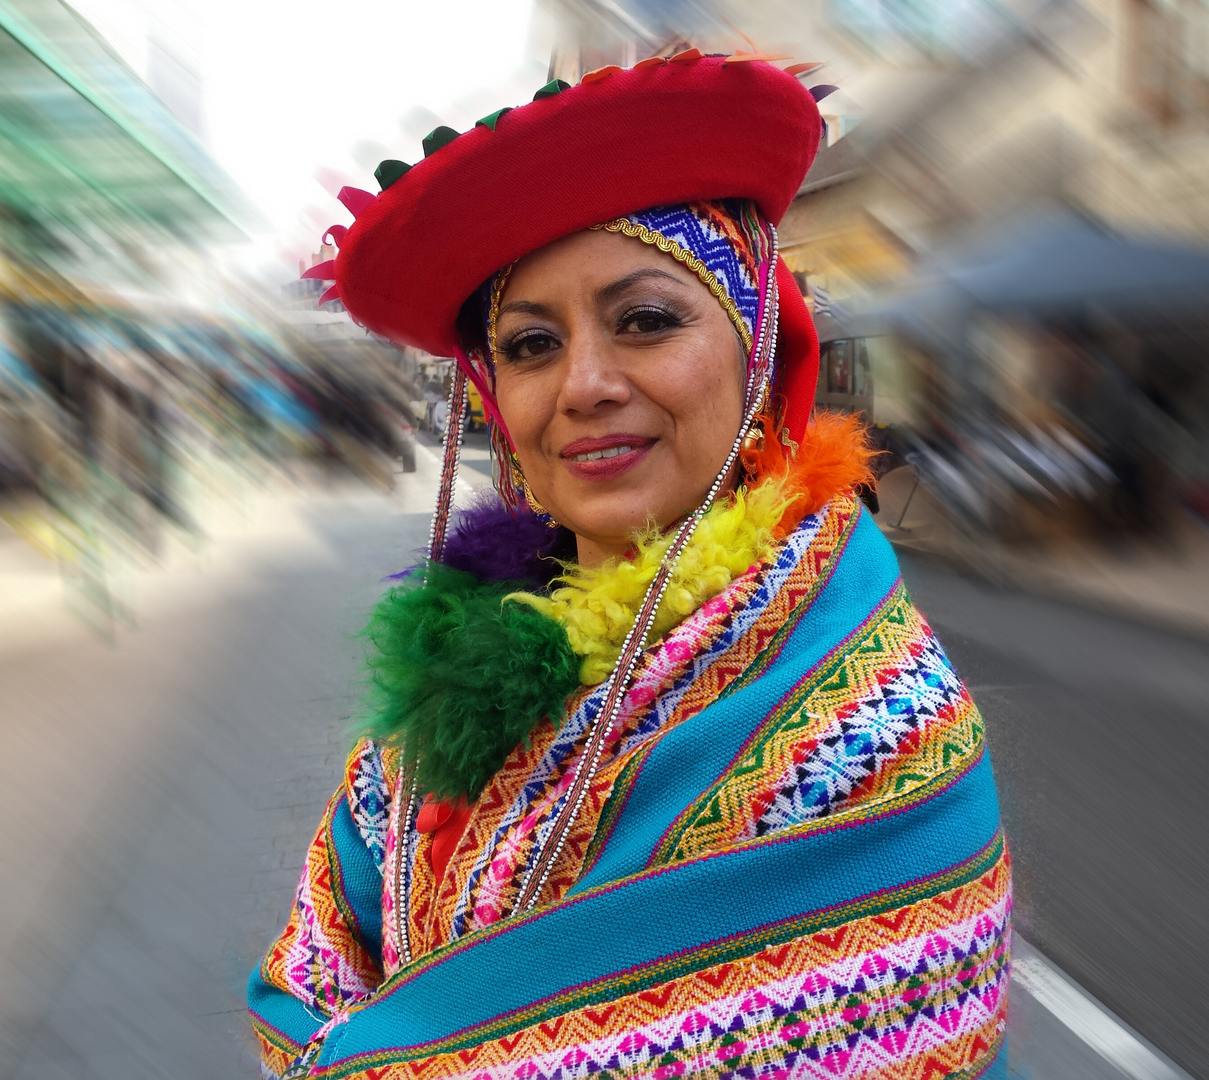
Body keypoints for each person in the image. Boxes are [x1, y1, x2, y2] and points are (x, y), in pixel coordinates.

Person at [250, 54, 1010, 1080]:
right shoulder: (462, 672)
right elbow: (310, 970)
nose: (587, 385)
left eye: (646, 320)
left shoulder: (880, 723)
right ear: (494, 399)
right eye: (529, 345)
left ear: (755, 346)